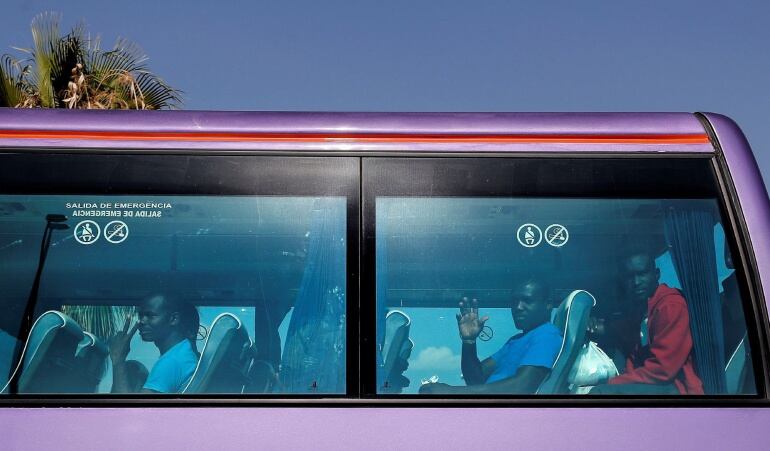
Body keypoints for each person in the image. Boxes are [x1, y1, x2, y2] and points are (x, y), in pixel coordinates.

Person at [590, 247, 704, 395]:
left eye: (642, 274)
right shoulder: (642, 308)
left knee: (600, 393)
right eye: (629, 276)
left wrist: (613, 383)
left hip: (679, 388)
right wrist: (590, 323)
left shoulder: (671, 306)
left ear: (656, 274)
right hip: (658, 384)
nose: (636, 282)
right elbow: (620, 331)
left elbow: (663, 369)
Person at [419, 278, 562, 395]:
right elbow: (476, 379)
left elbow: (522, 387)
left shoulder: (547, 335)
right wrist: (469, 341)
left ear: (548, 304)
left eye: (527, 301)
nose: (518, 307)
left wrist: (450, 392)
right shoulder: (516, 340)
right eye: (514, 302)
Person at [109, 294, 200, 393]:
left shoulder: (171, 361)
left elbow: (132, 408)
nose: (141, 321)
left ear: (174, 319)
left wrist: (118, 360)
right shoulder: (182, 353)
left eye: (150, 316)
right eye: (141, 316)